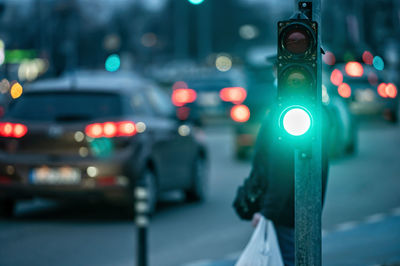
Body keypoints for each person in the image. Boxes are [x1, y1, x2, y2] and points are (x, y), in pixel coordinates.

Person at [233, 105, 330, 266]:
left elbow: (281, 171)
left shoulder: (286, 116)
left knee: (290, 259)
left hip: (285, 213)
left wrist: (267, 212)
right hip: (303, 208)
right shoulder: (314, 114)